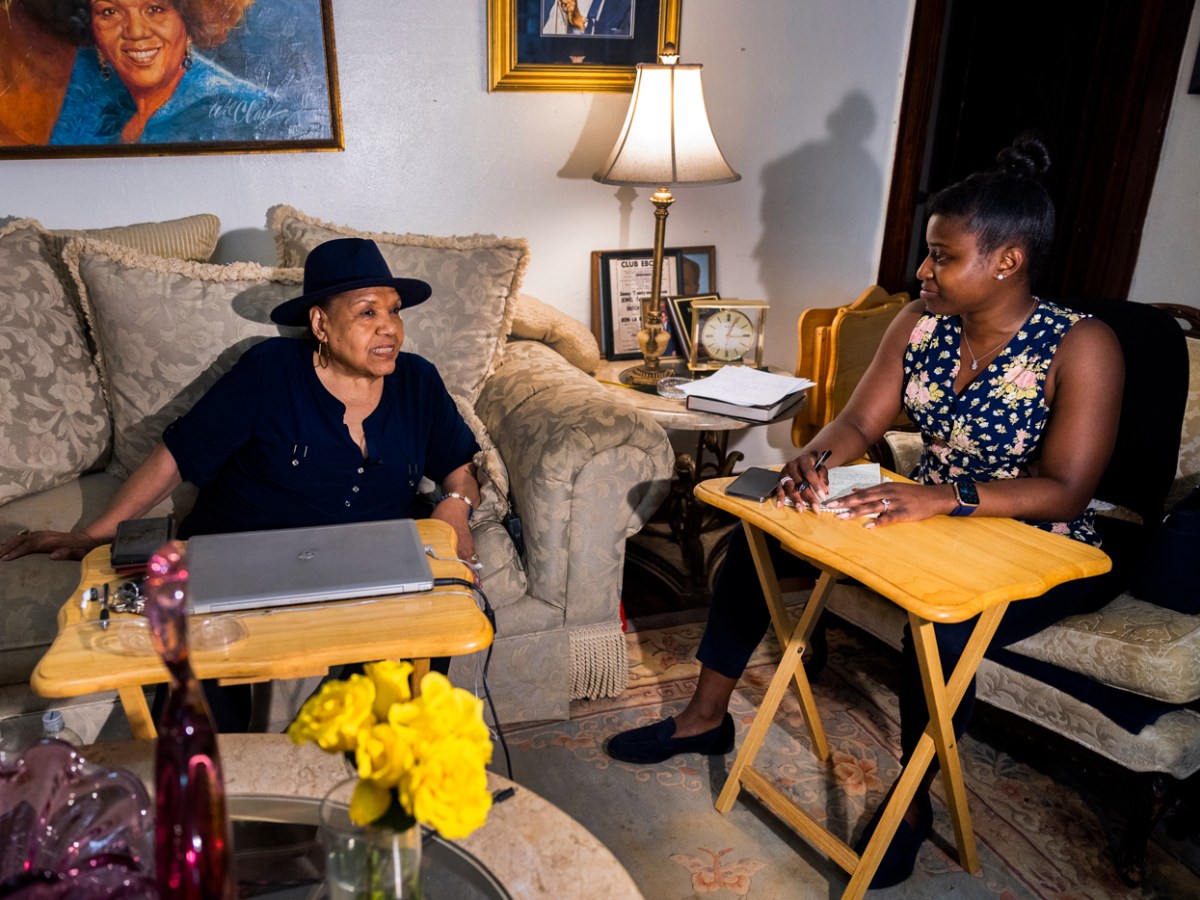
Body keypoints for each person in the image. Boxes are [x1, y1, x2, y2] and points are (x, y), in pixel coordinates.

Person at [605, 137, 1126, 888]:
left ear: (1007, 262)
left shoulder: (1082, 345)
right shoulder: (918, 321)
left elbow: (1068, 489)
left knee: (941, 629)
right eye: (927, 254)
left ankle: (912, 808)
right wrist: (814, 459)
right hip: (929, 513)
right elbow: (856, 424)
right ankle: (704, 717)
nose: (923, 272)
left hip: (1040, 540)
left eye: (943, 256)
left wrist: (940, 498)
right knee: (761, 538)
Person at [1, 237, 484, 726]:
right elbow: (179, 456)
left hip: (366, 554)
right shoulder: (269, 370)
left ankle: (348, 769)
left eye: (395, 311)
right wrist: (97, 534)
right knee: (199, 691)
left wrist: (456, 505)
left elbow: (460, 464)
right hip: (242, 545)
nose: (390, 328)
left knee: (422, 637)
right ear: (321, 323)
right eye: (367, 313)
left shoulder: (418, 381)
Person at [49, 0, 283, 145]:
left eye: (155, 9)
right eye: (109, 11)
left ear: (191, 17)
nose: (135, 32)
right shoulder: (81, 88)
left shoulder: (244, 111)